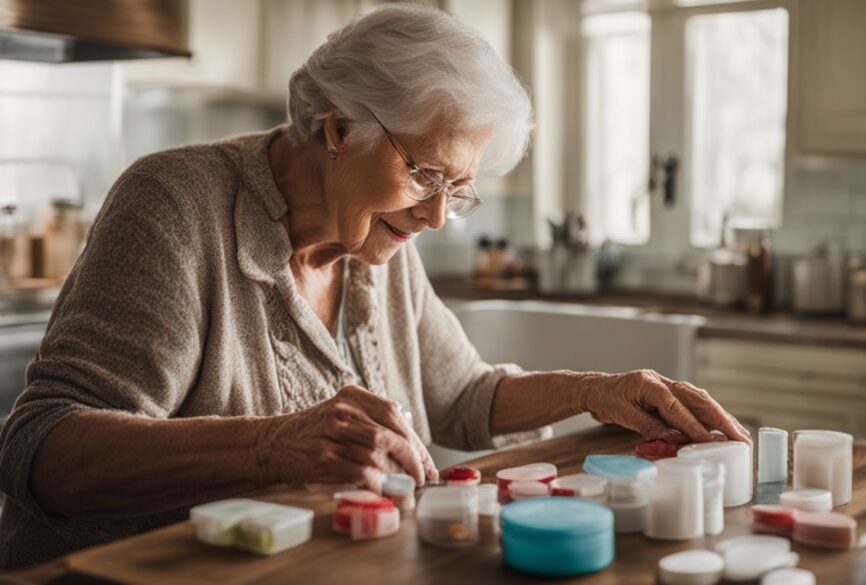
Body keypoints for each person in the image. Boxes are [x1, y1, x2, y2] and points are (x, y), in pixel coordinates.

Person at [0, 4, 748, 569]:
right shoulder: (176, 205)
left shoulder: (375, 237)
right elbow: (42, 449)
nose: (437, 215)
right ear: (337, 127)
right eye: (425, 172)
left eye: (459, 189)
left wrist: (597, 390)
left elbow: (464, 394)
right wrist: (271, 446)